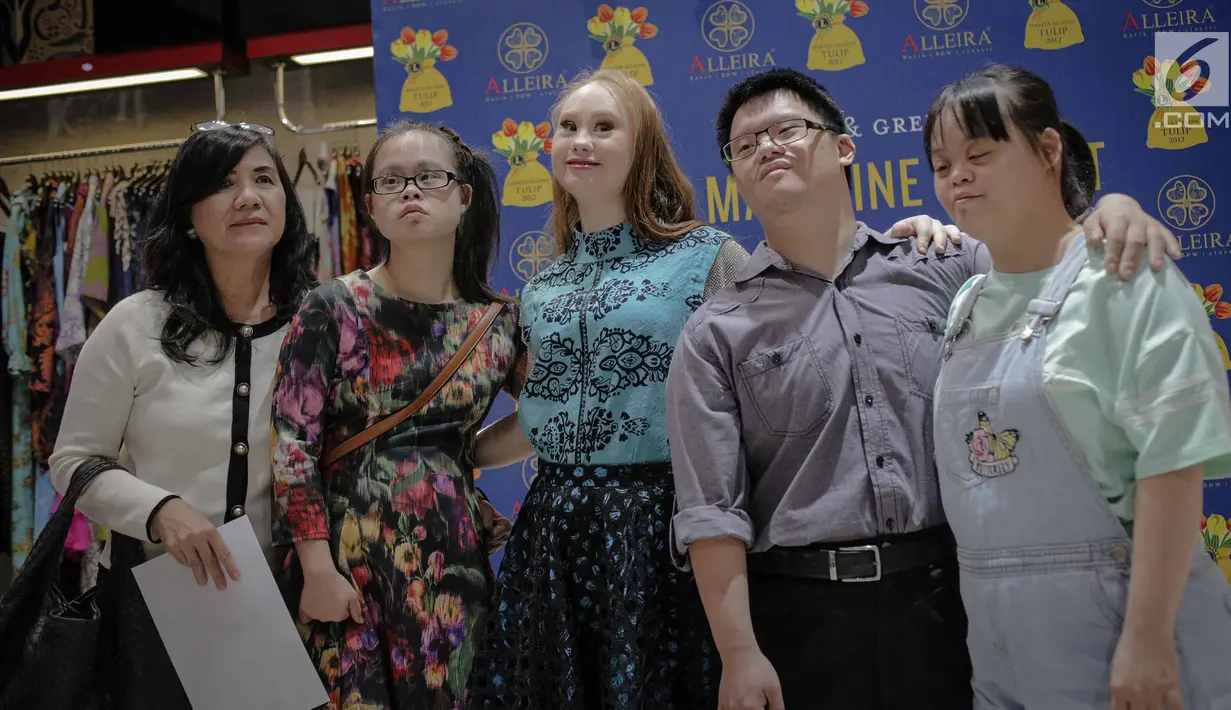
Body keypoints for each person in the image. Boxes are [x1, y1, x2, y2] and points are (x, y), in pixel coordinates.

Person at [664, 67, 1184, 710]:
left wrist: (1111, 208)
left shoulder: (946, 267)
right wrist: (740, 653)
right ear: (735, 175)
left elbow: (1052, 256)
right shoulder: (716, 330)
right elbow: (713, 511)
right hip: (798, 618)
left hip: (954, 603)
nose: (767, 147)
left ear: (845, 146)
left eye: (786, 129)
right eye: (746, 145)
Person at [470, 68, 961, 710]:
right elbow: (543, 415)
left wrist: (915, 235)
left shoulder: (707, 257)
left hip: (663, 528)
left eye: (603, 126)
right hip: (555, 535)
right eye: (567, 127)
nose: (580, 141)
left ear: (642, 144)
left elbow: (804, 300)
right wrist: (452, 459)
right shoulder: (541, 288)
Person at [926, 64, 1231, 710]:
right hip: (1000, 653)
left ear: (1046, 150)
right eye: (942, 163)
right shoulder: (964, 304)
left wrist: (1147, 638)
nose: (957, 177)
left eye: (978, 154)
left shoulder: (1125, 277)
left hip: (1126, 640)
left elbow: (1172, 468)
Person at [45, 122, 316, 704]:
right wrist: (159, 510)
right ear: (190, 217)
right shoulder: (134, 324)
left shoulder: (321, 324)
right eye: (223, 184)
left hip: (296, 603)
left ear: (286, 208)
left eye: (263, 179)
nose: (248, 196)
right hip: (161, 606)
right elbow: (73, 460)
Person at [271, 120, 530, 710]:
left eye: (430, 176)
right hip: (345, 563)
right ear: (370, 207)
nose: (411, 190)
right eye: (391, 181)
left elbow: (549, 417)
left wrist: (460, 459)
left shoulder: (498, 321)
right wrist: (315, 569)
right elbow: (292, 446)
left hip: (451, 561)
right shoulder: (331, 308)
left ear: (464, 195)